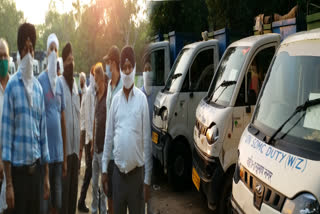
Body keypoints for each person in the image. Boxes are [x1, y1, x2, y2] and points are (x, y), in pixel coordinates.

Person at [1, 23, 50, 214]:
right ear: (20, 53)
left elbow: (43, 137)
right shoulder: (12, 87)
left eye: (31, 49)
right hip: (18, 177)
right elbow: (6, 141)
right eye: (24, 49)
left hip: (35, 174)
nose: (28, 54)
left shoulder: (38, 89)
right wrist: (9, 185)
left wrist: (46, 177)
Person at [101, 46, 152, 214]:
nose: (127, 71)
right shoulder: (115, 101)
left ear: (134, 67)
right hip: (118, 176)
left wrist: (147, 180)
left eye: (130, 66)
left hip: (137, 178)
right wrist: (103, 170)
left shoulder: (142, 100)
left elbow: (146, 140)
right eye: (124, 67)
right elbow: (109, 137)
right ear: (121, 69)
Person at [38, 33, 67, 214]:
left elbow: (63, 120)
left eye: (56, 49)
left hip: (58, 156)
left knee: (57, 201)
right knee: (44, 201)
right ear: (47, 52)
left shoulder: (61, 84)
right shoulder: (40, 82)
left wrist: (64, 157)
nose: (54, 52)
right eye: (51, 49)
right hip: (44, 156)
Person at [60, 42, 80, 214]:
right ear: (62, 63)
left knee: (74, 193)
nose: (71, 63)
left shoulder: (75, 85)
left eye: (72, 59)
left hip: (75, 153)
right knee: (64, 197)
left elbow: (78, 117)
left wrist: (80, 149)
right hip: (65, 154)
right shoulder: (59, 84)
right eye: (68, 60)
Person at [101, 45, 122, 214]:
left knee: (120, 200)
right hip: (110, 155)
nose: (107, 66)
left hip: (121, 155)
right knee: (110, 198)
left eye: (108, 62)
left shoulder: (124, 88)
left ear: (113, 63)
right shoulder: (109, 86)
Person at [91, 63, 108, 214]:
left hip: (104, 150)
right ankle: (94, 209)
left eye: (97, 79)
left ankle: (103, 211)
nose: (95, 82)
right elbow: (95, 120)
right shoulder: (96, 96)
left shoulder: (108, 96)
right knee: (94, 183)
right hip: (95, 148)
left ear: (102, 79)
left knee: (103, 186)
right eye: (94, 79)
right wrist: (91, 145)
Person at [77, 67, 94, 213]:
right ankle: (82, 200)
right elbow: (88, 118)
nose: (82, 81)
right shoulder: (87, 93)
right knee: (90, 171)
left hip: (88, 135)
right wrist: (90, 141)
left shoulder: (89, 93)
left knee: (91, 171)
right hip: (87, 134)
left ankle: (83, 200)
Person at [0, 38, 10, 214]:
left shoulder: (14, 86)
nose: (2, 60)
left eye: (5, 56)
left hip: (13, 167)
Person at [140, 55, 156, 123]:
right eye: (145, 70)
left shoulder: (156, 94)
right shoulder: (139, 94)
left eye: (149, 70)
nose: (147, 72)